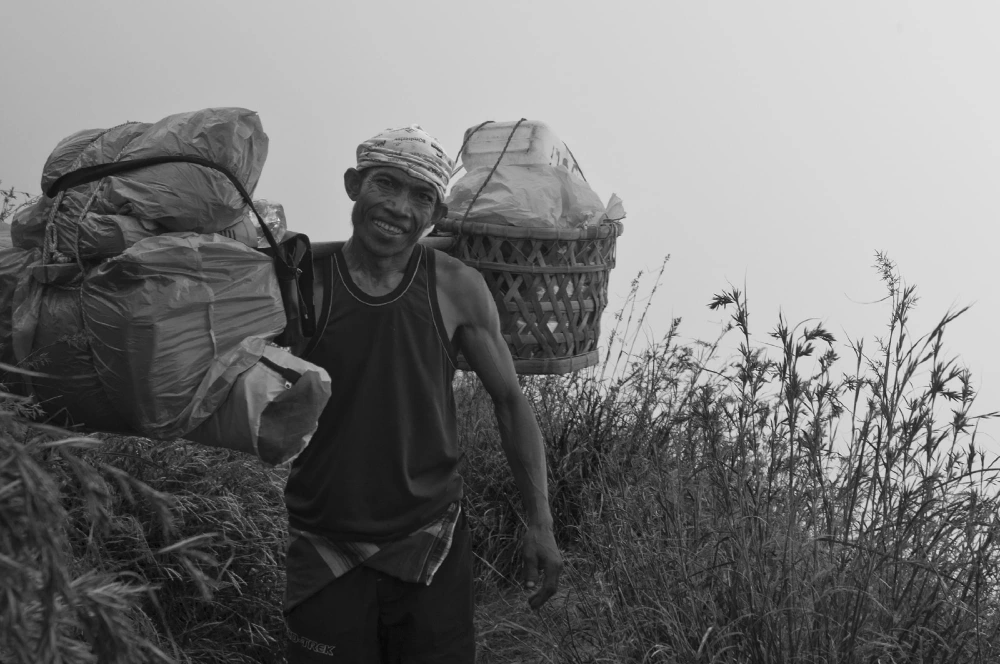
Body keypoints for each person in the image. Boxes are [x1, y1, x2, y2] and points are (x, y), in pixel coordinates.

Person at [283, 125, 563, 662]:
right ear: (352, 185)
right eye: (385, 185)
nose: (398, 208)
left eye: (421, 196)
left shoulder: (456, 287)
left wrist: (540, 521)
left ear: (436, 215)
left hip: (429, 538)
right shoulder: (303, 285)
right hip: (325, 543)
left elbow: (509, 401)